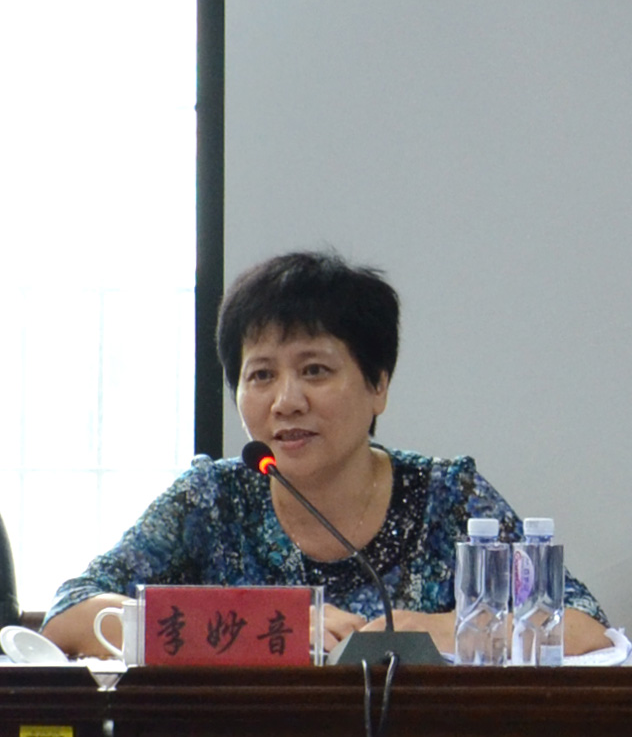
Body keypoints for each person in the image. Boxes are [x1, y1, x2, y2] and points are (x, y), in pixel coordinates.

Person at [42, 250, 611, 658]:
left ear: (378, 385)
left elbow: (584, 626)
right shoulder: (212, 500)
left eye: (315, 370)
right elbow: (69, 615)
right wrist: (272, 628)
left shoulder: (446, 497)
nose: (286, 401)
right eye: (260, 375)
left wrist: (436, 630)